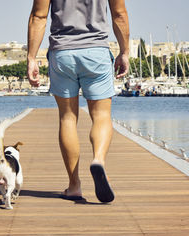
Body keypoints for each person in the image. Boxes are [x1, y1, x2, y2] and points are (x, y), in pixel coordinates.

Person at [27, 0, 130, 203]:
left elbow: (38, 16)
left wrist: (31, 57)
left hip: (62, 53)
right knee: (101, 116)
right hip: (96, 53)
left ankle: (74, 185)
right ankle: (98, 160)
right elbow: (119, 14)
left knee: (68, 118)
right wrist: (124, 52)